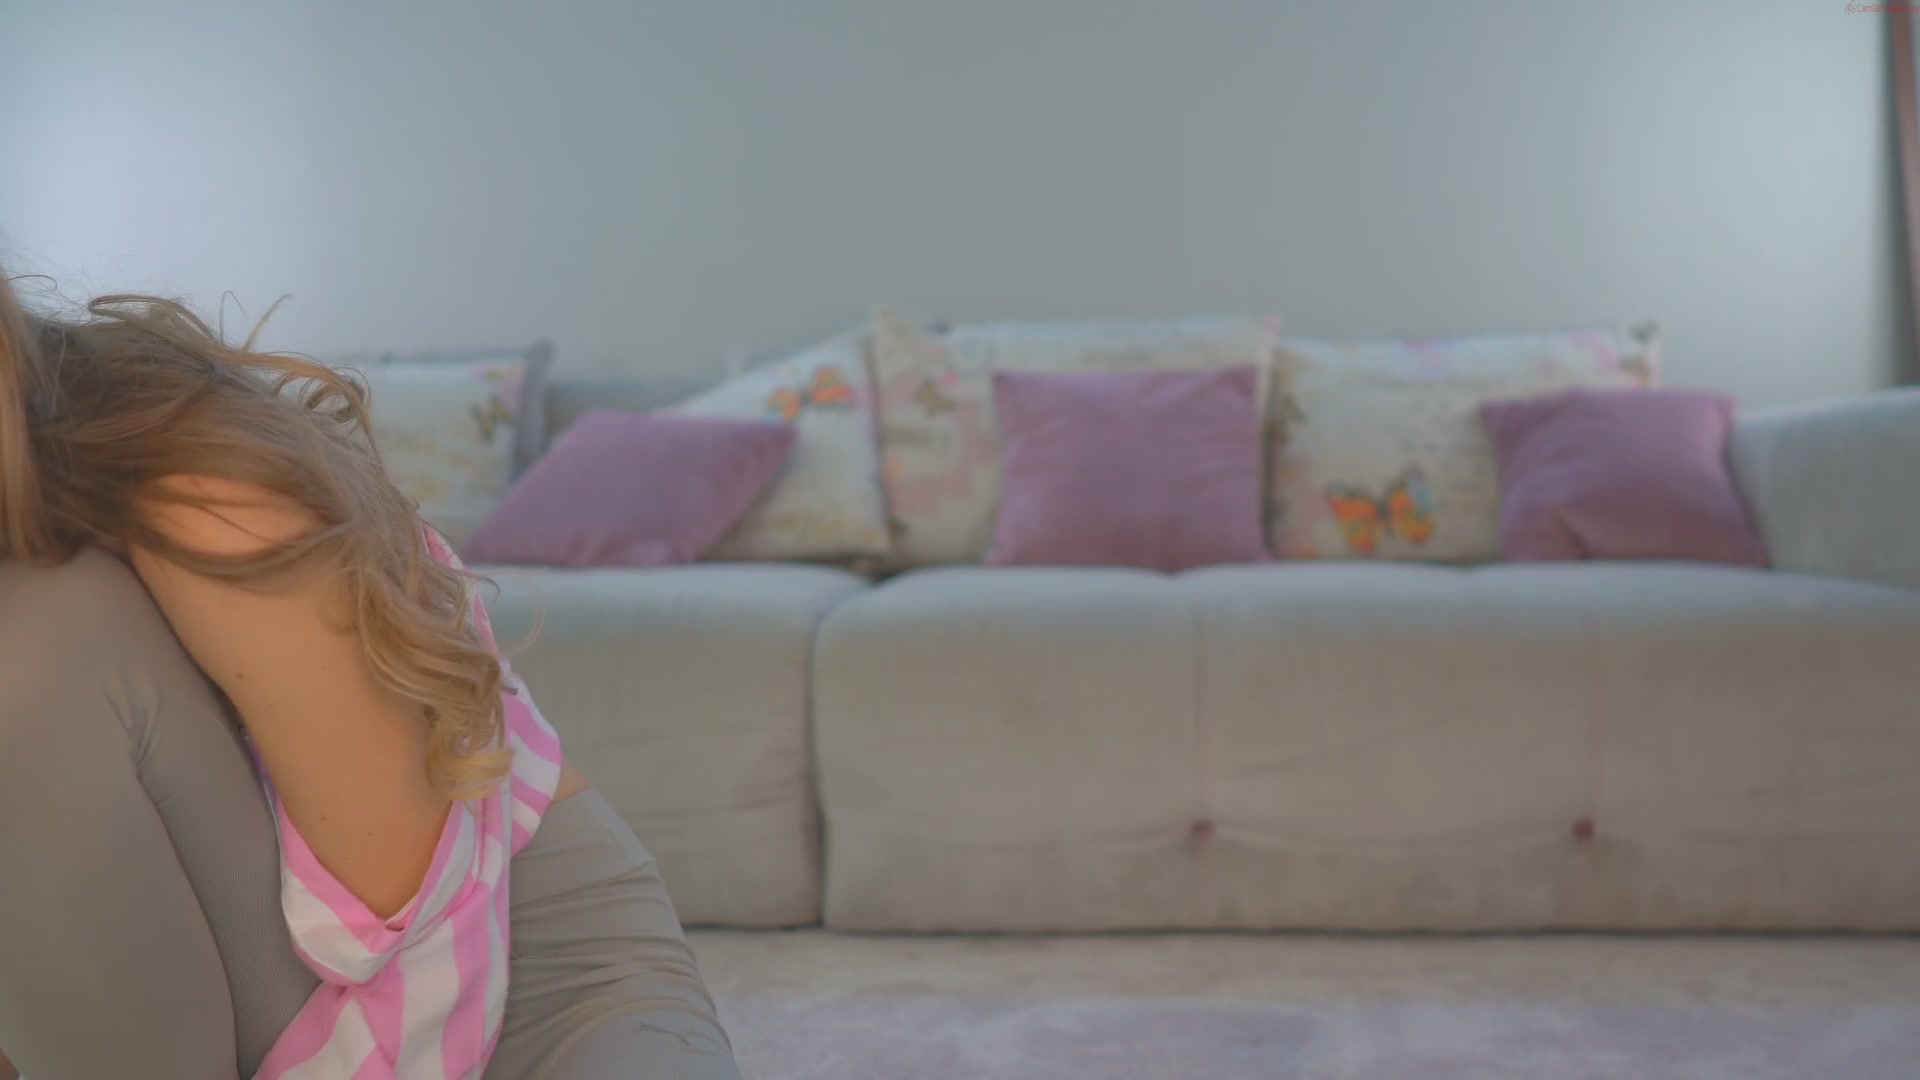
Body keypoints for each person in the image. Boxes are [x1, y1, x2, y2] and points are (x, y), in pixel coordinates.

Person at [0, 271, 742, 1080]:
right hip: (245, 1003)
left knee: (34, 632)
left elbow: (405, 920)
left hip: (526, 966)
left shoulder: (192, 488)